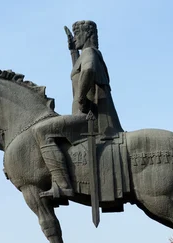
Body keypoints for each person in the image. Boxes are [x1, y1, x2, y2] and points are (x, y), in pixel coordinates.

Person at [34, 20, 122, 200]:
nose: (75, 38)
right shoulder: (87, 54)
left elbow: (87, 71)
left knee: (42, 131)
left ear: (88, 35)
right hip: (86, 114)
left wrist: (80, 98)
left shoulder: (90, 53)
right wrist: (73, 53)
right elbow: (79, 71)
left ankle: (62, 185)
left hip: (90, 117)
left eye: (78, 34)